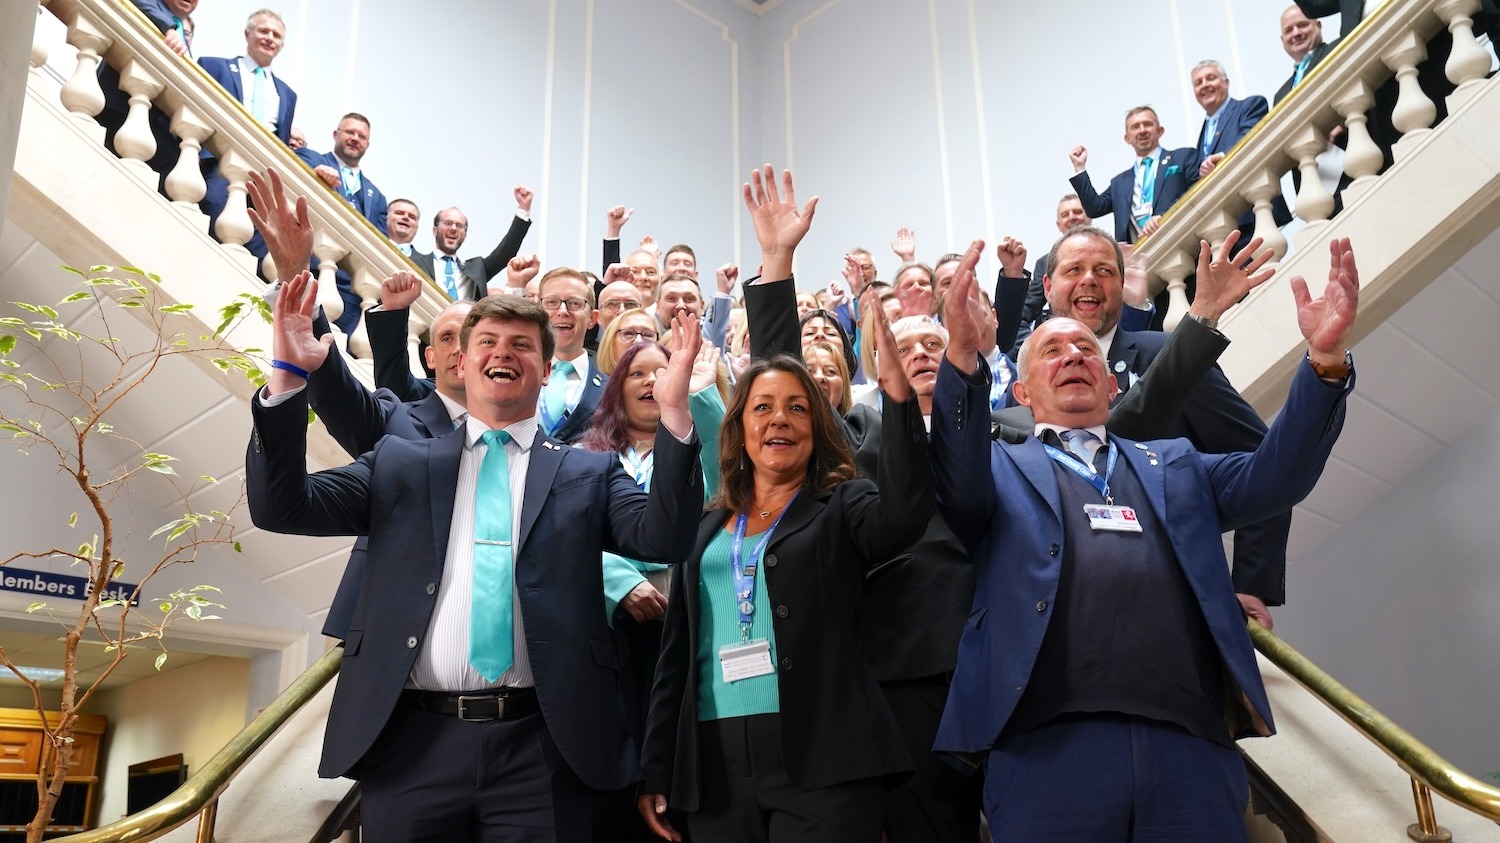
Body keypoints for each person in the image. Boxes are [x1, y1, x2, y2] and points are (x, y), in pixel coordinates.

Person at [248, 263, 707, 841]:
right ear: (461, 363)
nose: (503, 352)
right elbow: (282, 507)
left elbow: (665, 538)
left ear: (547, 371)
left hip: (544, 748)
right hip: (411, 747)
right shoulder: (400, 462)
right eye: (488, 341)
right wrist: (287, 381)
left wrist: (675, 414)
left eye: (522, 345)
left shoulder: (587, 472)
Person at [928, 236, 1358, 841]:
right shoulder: (995, 467)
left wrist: (1325, 362)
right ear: (1021, 395)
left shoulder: (1176, 462)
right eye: (1051, 350)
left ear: (1113, 387)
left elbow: (1277, 476)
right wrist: (961, 354)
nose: (1073, 355)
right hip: (1044, 749)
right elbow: (952, 463)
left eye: (1086, 349)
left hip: (1189, 744)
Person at [580, 340, 727, 843]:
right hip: (613, 629)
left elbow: (727, 487)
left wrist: (698, 397)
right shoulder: (582, 458)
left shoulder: (698, 448)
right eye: (637, 373)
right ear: (615, 388)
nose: (650, 381)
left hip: (692, 617)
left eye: (662, 371)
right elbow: (560, 537)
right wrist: (621, 582)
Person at [295, 113, 388, 334]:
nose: (355, 138)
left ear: (367, 144)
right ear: (335, 134)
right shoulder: (311, 158)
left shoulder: (378, 198)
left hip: (350, 294)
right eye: (350, 132)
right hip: (309, 269)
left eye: (361, 136)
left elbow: (379, 244)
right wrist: (313, 175)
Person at [1193, 59, 1292, 243]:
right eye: (1198, 82)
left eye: (1211, 78)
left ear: (1226, 83)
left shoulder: (1251, 105)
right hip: (1223, 225)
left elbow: (1249, 137)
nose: (1204, 85)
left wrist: (1222, 157)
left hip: (1253, 212)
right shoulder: (1203, 133)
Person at [1069, 106, 1201, 244]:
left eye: (1147, 124)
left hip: (1181, 240)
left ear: (1160, 131)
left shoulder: (1183, 157)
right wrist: (1079, 167)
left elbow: (1197, 190)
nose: (1142, 130)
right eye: (1135, 127)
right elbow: (1094, 208)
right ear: (1127, 138)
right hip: (1139, 252)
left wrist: (1165, 216)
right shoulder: (1120, 183)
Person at [413, 192, 535, 300]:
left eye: (459, 225)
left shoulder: (477, 269)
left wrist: (523, 210)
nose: (453, 228)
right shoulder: (415, 262)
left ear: (465, 235)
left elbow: (505, 252)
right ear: (435, 230)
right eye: (448, 223)